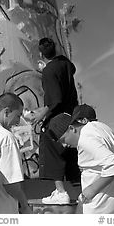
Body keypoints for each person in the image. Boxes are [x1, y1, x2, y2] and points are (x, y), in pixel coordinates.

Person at [47, 110, 114, 214]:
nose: (64, 145)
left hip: (100, 208)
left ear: (72, 128)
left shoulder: (85, 139)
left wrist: (91, 190)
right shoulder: (101, 127)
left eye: (63, 140)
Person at [30, 37, 79, 204]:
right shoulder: (65, 65)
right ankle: (77, 189)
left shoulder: (50, 70)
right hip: (71, 115)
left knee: (48, 141)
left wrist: (41, 114)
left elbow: (55, 99)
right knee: (71, 152)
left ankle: (60, 192)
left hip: (58, 117)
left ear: (41, 54)